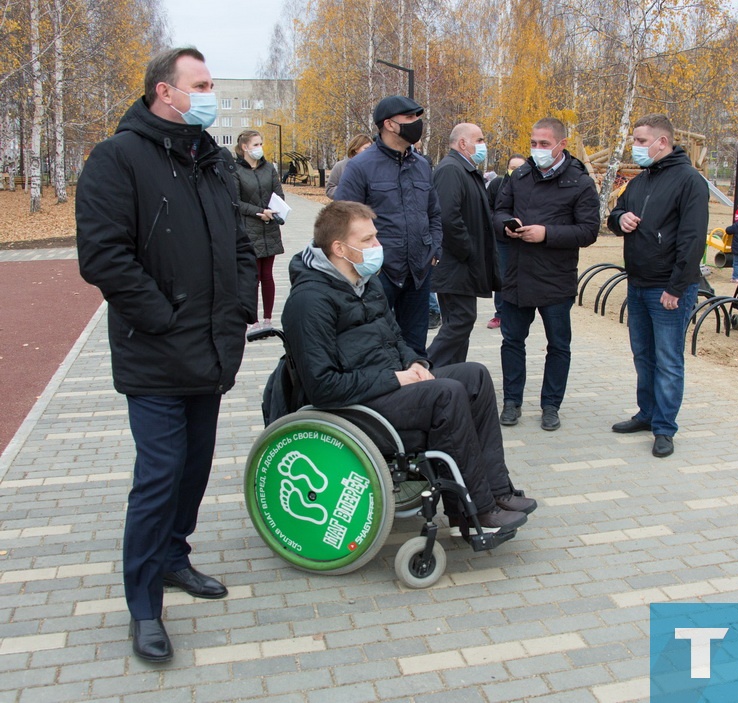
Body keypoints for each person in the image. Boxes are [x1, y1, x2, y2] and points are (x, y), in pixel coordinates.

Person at [75, 47, 258, 663]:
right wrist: (161, 317)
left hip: (208, 351)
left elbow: (237, 243)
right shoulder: (116, 159)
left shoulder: (211, 161)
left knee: (194, 469)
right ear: (165, 92)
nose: (210, 92)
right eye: (202, 84)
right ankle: (144, 605)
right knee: (158, 477)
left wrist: (233, 316)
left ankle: (175, 557)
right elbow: (104, 257)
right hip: (154, 355)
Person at [281, 200, 535, 536]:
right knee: (446, 393)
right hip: (355, 406)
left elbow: (396, 339)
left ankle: (498, 491)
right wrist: (398, 378)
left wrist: (415, 362)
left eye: (376, 237)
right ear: (339, 248)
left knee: (473, 375)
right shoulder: (309, 301)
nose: (378, 247)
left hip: (387, 386)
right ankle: (475, 511)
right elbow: (323, 386)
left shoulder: (365, 283)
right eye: (368, 240)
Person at [607, 113, 708, 458]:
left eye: (639, 141)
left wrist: (677, 288)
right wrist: (621, 218)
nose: (634, 147)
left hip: (668, 289)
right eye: (634, 140)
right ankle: (647, 414)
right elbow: (613, 214)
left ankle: (665, 428)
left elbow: (693, 240)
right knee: (643, 355)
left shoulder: (689, 181)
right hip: (638, 284)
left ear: (661, 142)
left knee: (667, 360)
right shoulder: (640, 181)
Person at [492, 118, 600, 431]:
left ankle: (551, 405)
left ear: (561, 145)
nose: (537, 149)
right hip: (517, 275)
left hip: (556, 278)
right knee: (512, 342)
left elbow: (589, 230)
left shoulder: (579, 182)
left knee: (558, 345)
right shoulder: (520, 175)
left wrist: (547, 234)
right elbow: (498, 212)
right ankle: (512, 402)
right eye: (534, 143)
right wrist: (506, 226)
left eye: (544, 144)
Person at [334, 95, 442, 356]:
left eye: (418, 117)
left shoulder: (422, 165)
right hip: (378, 275)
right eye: (410, 118)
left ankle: (415, 394)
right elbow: (341, 218)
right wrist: (364, 261)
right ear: (390, 125)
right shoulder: (361, 166)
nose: (417, 123)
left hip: (418, 273)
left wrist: (435, 250)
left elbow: (434, 214)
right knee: (374, 347)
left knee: (415, 349)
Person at [427, 123, 501, 367]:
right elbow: (448, 217)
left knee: (459, 324)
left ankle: (452, 379)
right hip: (456, 264)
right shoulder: (451, 169)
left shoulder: (464, 169)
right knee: (461, 320)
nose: (483, 145)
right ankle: (424, 370)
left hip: (462, 265)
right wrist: (469, 251)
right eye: (479, 140)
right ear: (462, 143)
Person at [234, 129, 284, 330]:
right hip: (249, 229)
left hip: (269, 227)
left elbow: (278, 193)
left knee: (268, 275)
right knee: (252, 276)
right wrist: (258, 212)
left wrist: (274, 210)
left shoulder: (268, 168)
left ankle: (268, 319)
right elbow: (236, 202)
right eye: (255, 144)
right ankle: (253, 320)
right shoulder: (236, 170)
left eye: (260, 144)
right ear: (244, 147)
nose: (259, 148)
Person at [485, 154, 526, 330]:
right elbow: (489, 209)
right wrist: (502, 224)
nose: (515, 171)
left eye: (519, 168)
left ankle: (522, 311)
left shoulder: (530, 186)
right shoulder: (498, 184)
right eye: (512, 167)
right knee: (502, 276)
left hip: (525, 238)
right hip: (502, 239)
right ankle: (500, 314)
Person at [325, 133, 373, 198]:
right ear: (356, 149)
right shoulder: (340, 166)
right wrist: (347, 190)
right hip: (346, 206)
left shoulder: (373, 167)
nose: (369, 152)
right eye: (366, 148)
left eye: (371, 149)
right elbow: (329, 189)